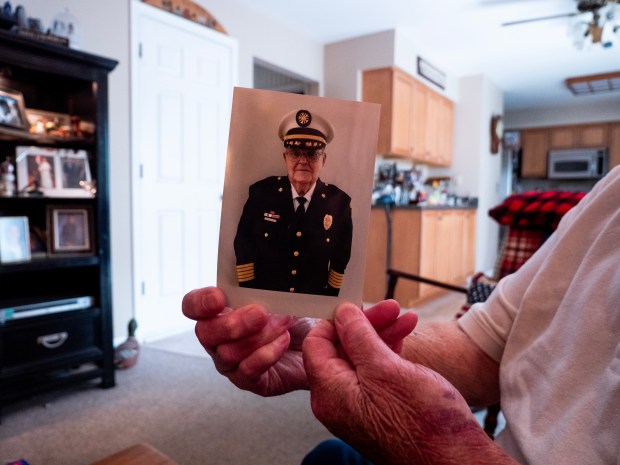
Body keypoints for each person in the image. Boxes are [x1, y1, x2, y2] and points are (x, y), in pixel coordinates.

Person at [182, 165, 620, 464]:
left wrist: (440, 450)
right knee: (329, 456)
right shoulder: (611, 193)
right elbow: (486, 346)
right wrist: (321, 337)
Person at [233, 108, 353, 297]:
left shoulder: (339, 203)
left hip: (313, 302)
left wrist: (329, 297)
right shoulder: (261, 194)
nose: (302, 161)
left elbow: (341, 256)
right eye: (295, 153)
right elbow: (244, 243)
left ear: (324, 159)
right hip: (266, 299)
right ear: (285, 157)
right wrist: (250, 292)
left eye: (312, 154)